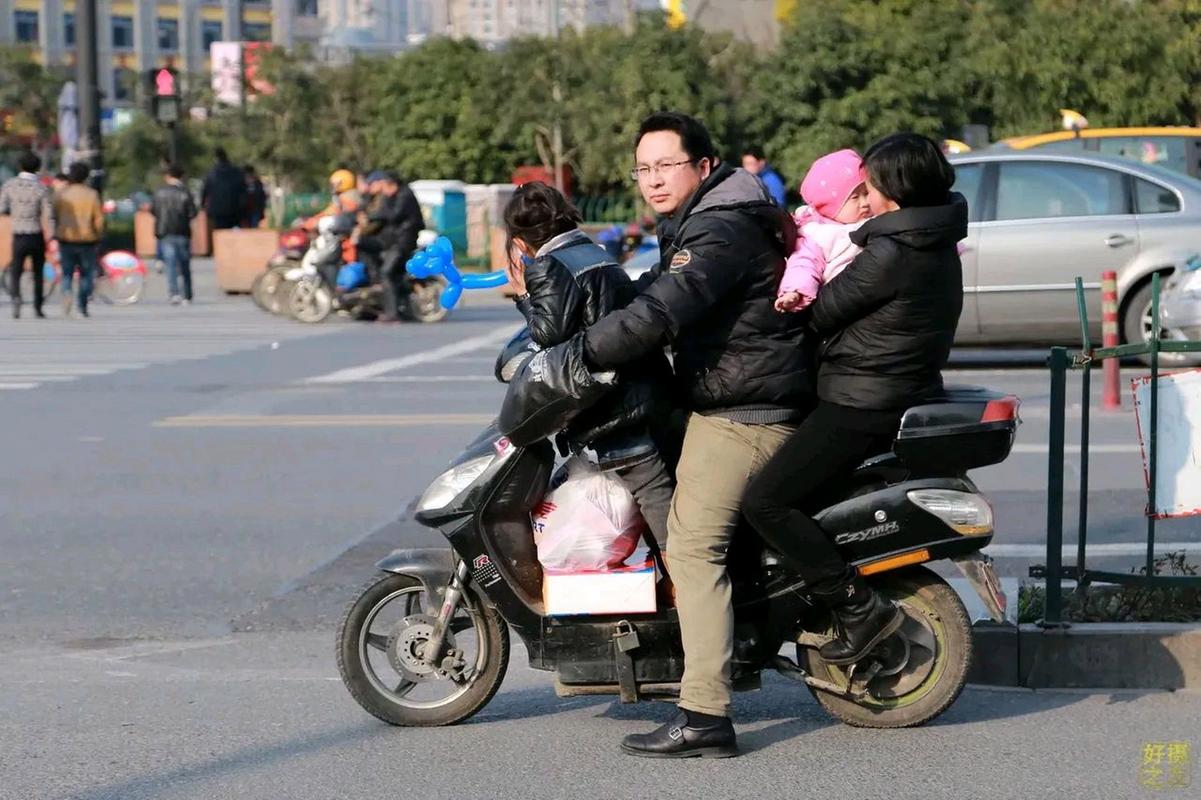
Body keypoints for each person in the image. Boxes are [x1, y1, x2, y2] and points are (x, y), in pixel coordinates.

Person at [561, 112, 810, 758]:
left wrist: (580, 353)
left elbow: (668, 304)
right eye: (642, 169)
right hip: (729, 393)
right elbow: (653, 289)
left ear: (702, 167)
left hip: (744, 411)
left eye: (665, 165)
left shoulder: (720, 227)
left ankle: (703, 714)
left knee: (691, 548)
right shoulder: (709, 215)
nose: (652, 180)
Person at [741, 133, 966, 665]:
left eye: (874, 183)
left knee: (764, 502)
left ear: (896, 188)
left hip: (861, 401)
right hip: (886, 389)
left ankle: (858, 607)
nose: (867, 193)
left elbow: (818, 315)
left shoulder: (893, 251)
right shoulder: (930, 236)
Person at [501, 181, 675, 551]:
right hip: (644, 390)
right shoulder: (592, 251)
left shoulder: (549, 265)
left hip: (615, 410)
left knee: (657, 509)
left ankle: (687, 589)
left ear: (519, 241)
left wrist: (522, 294)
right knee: (647, 503)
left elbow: (547, 335)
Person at [775, 149, 872, 313]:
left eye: (866, 193)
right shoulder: (816, 235)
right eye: (855, 197)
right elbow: (803, 264)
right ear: (829, 204)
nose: (864, 203)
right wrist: (795, 292)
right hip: (840, 304)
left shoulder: (876, 219)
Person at [357, 170, 424, 323]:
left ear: (391, 185)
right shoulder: (390, 197)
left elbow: (392, 215)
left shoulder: (405, 196)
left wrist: (370, 217)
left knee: (387, 273)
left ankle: (392, 313)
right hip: (392, 242)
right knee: (364, 245)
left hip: (402, 242)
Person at [0, 151, 55, 318]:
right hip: (35, 233)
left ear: (20, 166)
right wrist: (51, 234)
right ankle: (38, 306)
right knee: (38, 272)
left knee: (16, 270)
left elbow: (2, 207)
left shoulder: (9, 185)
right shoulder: (41, 187)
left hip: (19, 234)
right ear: (37, 168)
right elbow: (48, 213)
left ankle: (16, 299)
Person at [53, 162, 104, 318]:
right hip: (87, 240)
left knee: (67, 272)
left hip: (65, 238)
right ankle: (82, 305)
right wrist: (98, 235)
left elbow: (54, 215)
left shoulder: (61, 194)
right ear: (86, 176)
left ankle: (67, 292)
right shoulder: (92, 194)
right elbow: (99, 220)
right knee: (86, 274)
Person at [151, 164, 199, 305]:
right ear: (181, 176)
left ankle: (174, 293)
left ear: (168, 176)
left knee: (170, 264)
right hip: (182, 232)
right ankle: (187, 294)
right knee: (184, 264)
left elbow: (154, 210)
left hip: (165, 232)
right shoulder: (185, 192)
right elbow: (193, 213)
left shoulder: (159, 192)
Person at [200, 147, 245, 230]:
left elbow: (205, 191)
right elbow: (243, 191)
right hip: (234, 210)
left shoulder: (211, 173)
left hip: (217, 211)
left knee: (219, 234)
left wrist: (203, 206)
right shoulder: (237, 172)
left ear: (215, 159)